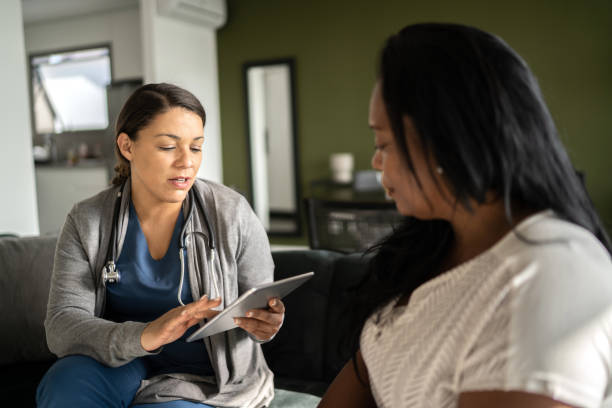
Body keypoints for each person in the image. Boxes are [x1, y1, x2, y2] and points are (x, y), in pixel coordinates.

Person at [319, 23, 612, 408]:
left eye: (383, 143)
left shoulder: (541, 279)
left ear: (448, 140)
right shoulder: (432, 244)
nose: (376, 161)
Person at [37, 83, 284, 408]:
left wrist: (266, 325)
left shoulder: (231, 213)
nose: (186, 162)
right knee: (65, 384)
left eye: (196, 148)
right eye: (169, 147)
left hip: (208, 377)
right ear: (128, 146)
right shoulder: (89, 220)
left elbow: (260, 304)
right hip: (123, 360)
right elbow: (62, 325)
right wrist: (146, 335)